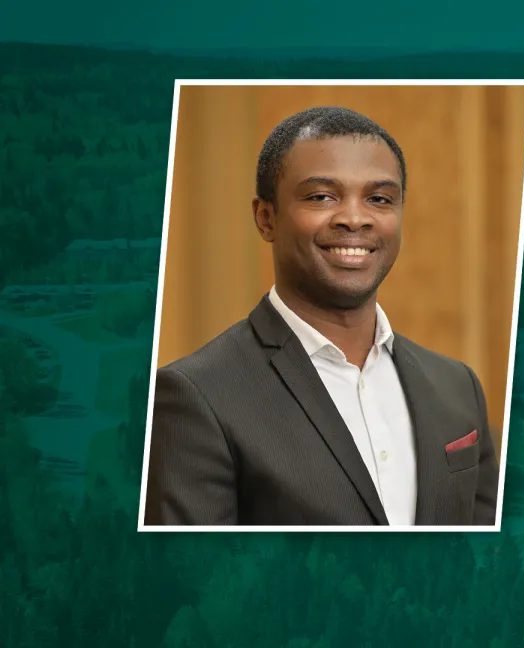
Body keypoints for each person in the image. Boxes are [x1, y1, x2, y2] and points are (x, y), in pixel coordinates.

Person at [144, 106, 498, 527]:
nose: (354, 217)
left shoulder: (458, 387)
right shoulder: (194, 397)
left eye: (379, 199)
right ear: (266, 217)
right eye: (321, 197)